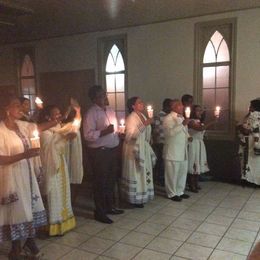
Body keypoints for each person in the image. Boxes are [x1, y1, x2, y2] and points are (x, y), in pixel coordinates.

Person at [0, 92, 46, 259]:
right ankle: (17, 247)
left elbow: (37, 129)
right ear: (7, 109)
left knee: (28, 209)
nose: (21, 108)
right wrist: (24, 155)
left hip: (26, 174)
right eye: (17, 106)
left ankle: (28, 243)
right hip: (11, 176)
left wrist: (55, 120)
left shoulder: (21, 125)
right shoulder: (1, 130)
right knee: (17, 211)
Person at [83, 85, 124, 224]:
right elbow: (87, 135)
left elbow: (115, 128)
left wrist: (119, 132)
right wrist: (103, 132)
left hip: (112, 149)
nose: (104, 97)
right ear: (94, 98)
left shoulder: (110, 110)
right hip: (100, 152)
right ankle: (99, 212)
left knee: (111, 180)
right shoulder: (91, 113)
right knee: (100, 182)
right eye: (101, 95)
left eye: (104, 94)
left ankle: (110, 206)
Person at [39, 104, 81, 236]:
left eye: (59, 113)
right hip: (51, 166)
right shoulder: (45, 132)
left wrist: (71, 132)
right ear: (47, 117)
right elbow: (49, 149)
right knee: (54, 194)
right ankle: (53, 225)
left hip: (61, 163)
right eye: (55, 114)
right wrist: (64, 138)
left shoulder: (58, 128)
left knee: (63, 192)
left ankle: (64, 221)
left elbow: (72, 129)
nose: (59, 116)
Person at [121, 97, 156, 208]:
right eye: (139, 102)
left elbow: (146, 132)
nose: (142, 104)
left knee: (143, 172)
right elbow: (130, 136)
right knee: (136, 173)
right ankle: (133, 198)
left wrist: (149, 138)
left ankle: (142, 196)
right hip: (134, 149)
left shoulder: (144, 116)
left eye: (142, 102)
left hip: (143, 147)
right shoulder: (131, 118)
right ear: (133, 106)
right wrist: (145, 124)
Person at [163, 99, 190, 202]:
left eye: (182, 105)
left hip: (182, 150)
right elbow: (169, 133)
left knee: (182, 172)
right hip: (172, 151)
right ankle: (171, 193)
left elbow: (184, 132)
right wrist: (182, 124)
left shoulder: (182, 118)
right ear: (173, 107)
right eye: (179, 105)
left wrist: (189, 137)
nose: (182, 107)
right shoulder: (168, 118)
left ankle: (180, 191)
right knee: (172, 173)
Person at [187, 105, 215, 192]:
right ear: (193, 112)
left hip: (199, 143)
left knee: (198, 163)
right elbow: (200, 129)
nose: (200, 112)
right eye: (198, 111)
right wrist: (212, 122)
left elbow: (202, 130)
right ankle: (191, 184)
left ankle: (196, 182)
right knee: (193, 163)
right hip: (193, 144)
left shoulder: (199, 121)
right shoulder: (191, 121)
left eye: (201, 111)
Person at [238, 99, 260, 185]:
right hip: (257, 141)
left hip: (251, 141)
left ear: (254, 107)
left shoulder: (253, 115)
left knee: (250, 160)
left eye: (250, 106)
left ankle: (251, 180)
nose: (249, 108)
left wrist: (240, 126)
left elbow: (247, 130)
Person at [152, 98, 172, 186]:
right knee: (161, 161)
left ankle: (163, 178)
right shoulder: (159, 116)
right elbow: (156, 130)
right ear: (166, 106)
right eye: (171, 106)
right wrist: (156, 142)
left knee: (165, 161)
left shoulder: (169, 116)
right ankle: (159, 179)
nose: (172, 108)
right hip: (161, 142)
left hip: (168, 142)